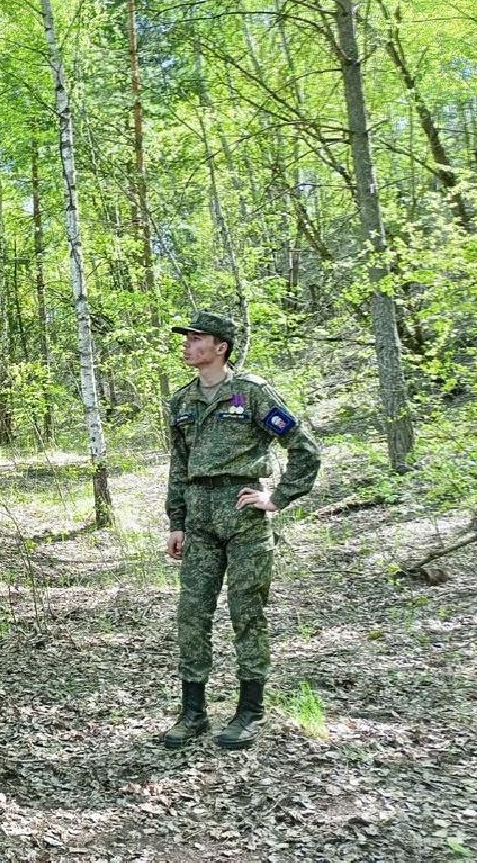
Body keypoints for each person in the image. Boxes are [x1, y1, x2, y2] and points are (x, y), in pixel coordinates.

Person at [161, 310, 321, 750]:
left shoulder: (251, 394)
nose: (188, 344)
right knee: (192, 616)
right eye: (187, 338)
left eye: (197, 338)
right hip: (199, 519)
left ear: (220, 347)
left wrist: (278, 497)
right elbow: (179, 466)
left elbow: (304, 447)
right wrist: (176, 522)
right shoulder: (181, 402)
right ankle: (192, 714)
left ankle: (249, 711)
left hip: (244, 517)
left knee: (246, 614)